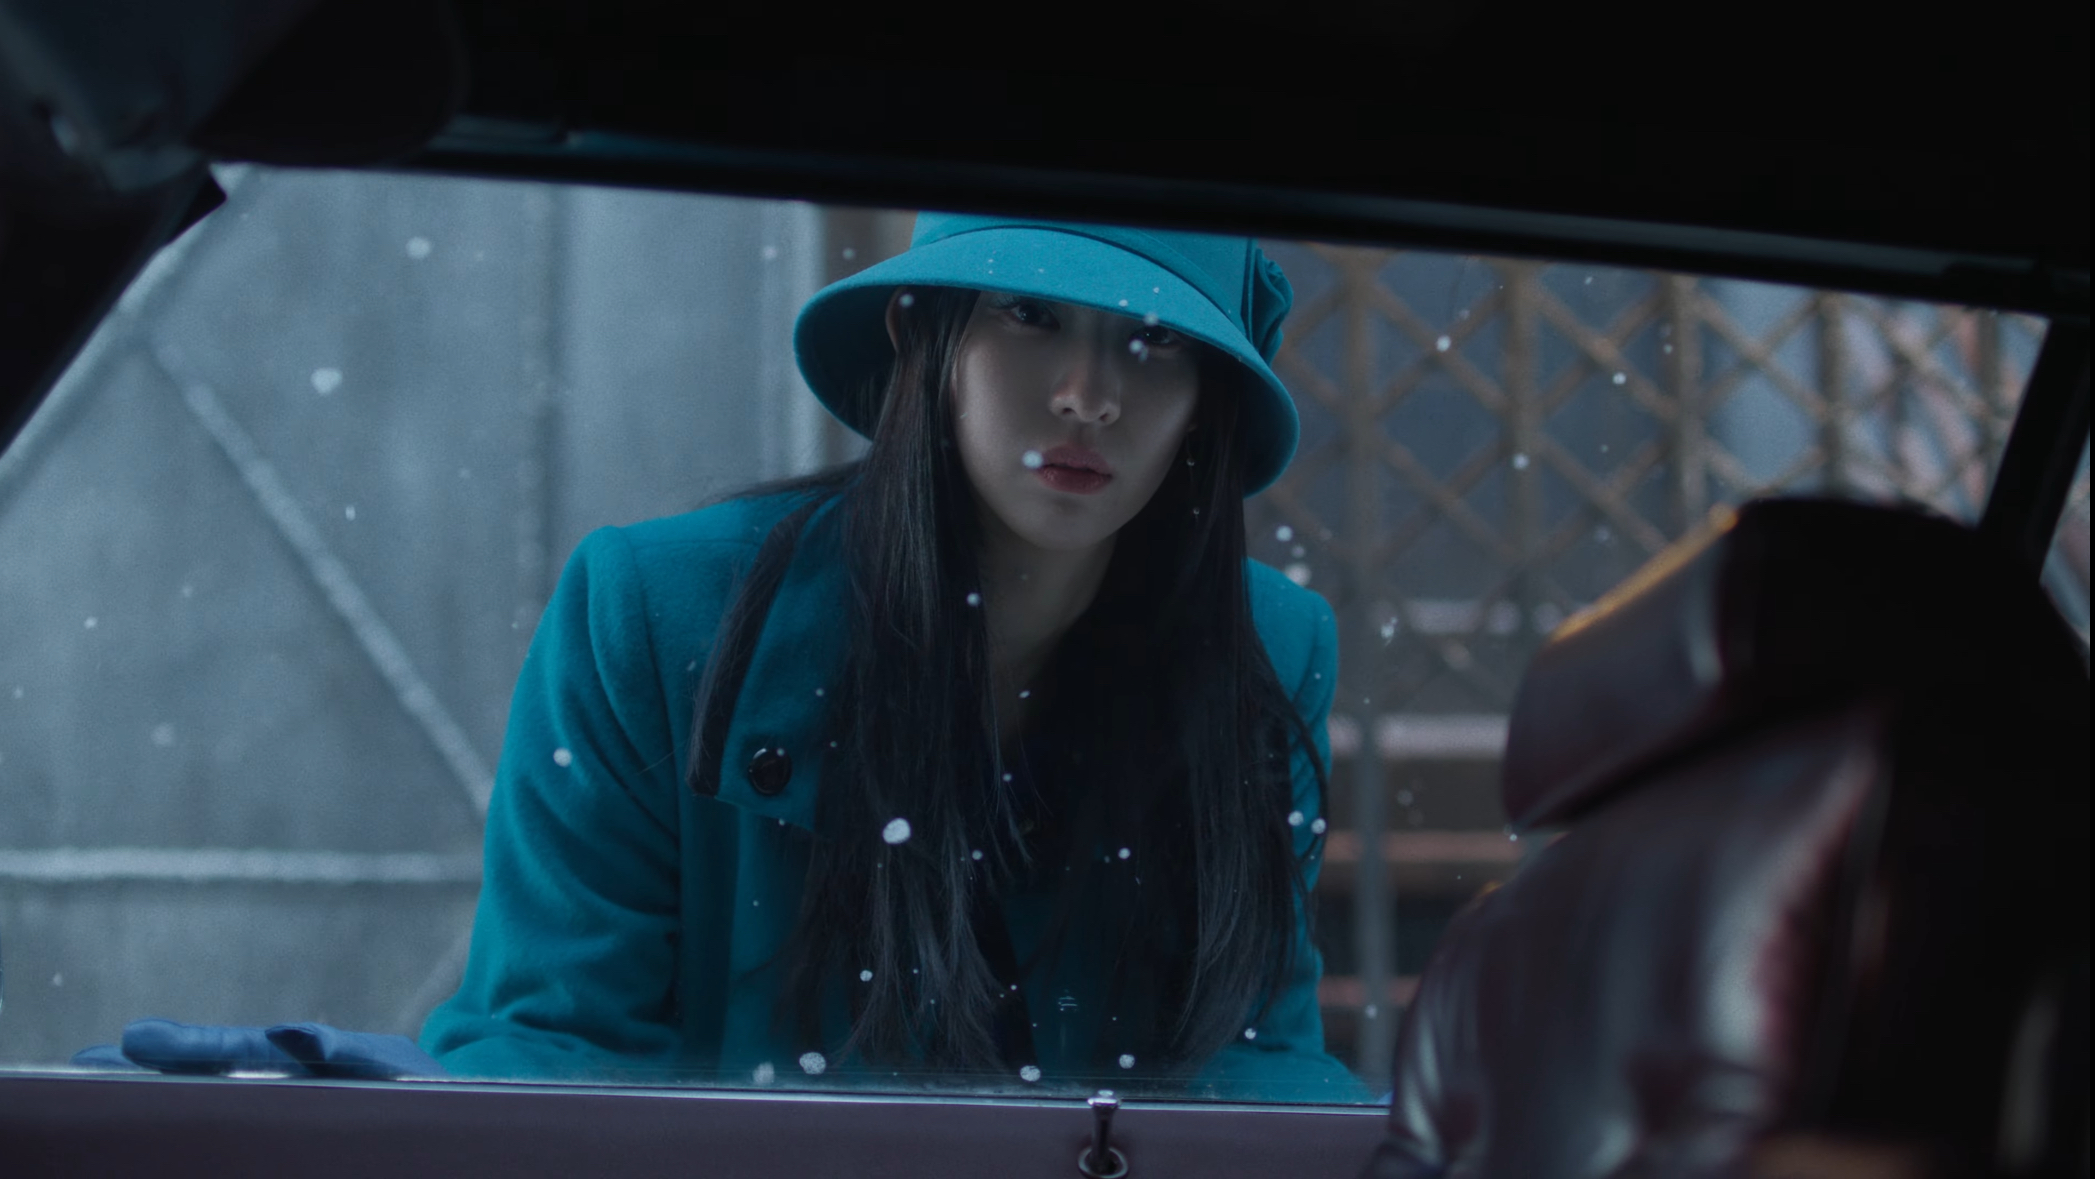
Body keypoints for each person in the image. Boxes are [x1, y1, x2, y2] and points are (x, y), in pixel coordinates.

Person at [420, 214, 1365, 1101]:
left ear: (1207, 396)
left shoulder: (1268, 652)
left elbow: (1258, 1061)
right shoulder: (657, 615)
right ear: (925, 334)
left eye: (1155, 337)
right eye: (1030, 314)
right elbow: (550, 1054)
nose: (1088, 394)